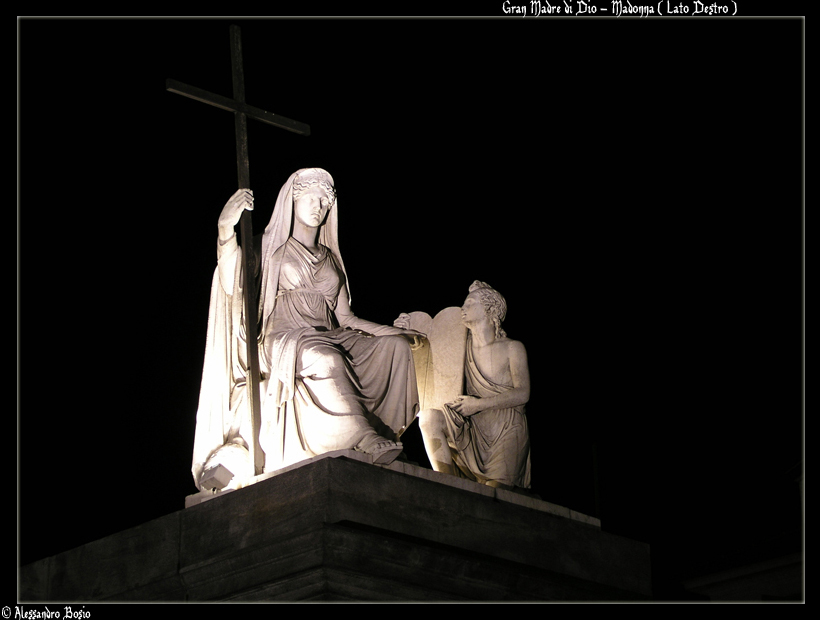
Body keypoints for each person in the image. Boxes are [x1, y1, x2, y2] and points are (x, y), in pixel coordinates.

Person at [192, 168, 423, 491]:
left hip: (328, 333)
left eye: (326, 202)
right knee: (325, 358)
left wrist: (395, 334)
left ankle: (383, 431)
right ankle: (361, 437)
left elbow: (348, 320)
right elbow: (233, 281)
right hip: (283, 337)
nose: (320, 207)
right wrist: (225, 229)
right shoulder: (269, 249)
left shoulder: (330, 260)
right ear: (293, 199)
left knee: (396, 351)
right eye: (313, 198)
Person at [417, 281, 532, 490]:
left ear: (490, 309)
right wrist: (407, 329)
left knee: (496, 495)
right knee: (428, 417)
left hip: (505, 428)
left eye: (470, 303)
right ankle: (447, 487)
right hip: (471, 426)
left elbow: (523, 393)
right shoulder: (459, 347)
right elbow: (426, 358)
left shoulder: (513, 348)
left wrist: (478, 405)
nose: (463, 308)